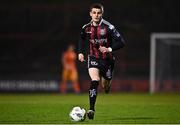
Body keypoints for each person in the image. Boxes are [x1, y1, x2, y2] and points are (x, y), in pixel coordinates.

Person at [78, 3, 125, 119]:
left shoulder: (109, 27)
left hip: (107, 60)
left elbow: (122, 42)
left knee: (105, 86)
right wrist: (80, 52)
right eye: (94, 12)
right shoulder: (86, 28)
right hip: (93, 58)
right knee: (95, 79)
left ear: (102, 14)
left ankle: (108, 83)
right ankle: (91, 109)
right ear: (90, 14)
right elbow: (81, 39)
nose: (96, 15)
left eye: (98, 13)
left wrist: (109, 49)